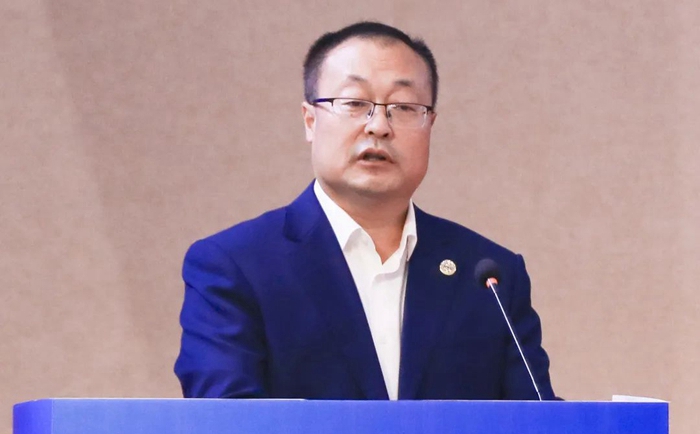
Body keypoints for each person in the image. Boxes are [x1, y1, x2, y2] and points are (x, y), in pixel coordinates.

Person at [174, 21, 556, 400]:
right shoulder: (235, 266)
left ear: (430, 124)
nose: (379, 126)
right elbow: (226, 418)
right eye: (355, 103)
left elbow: (540, 419)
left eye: (403, 107)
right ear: (310, 121)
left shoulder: (490, 278)